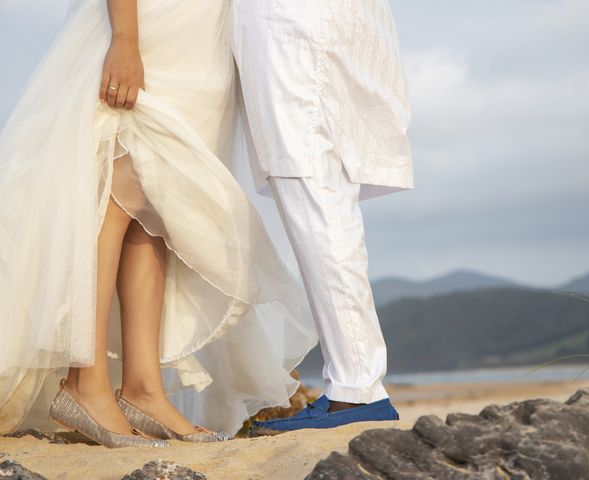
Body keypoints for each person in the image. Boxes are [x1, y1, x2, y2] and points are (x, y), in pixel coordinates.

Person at [0, 0, 317, 448]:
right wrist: (126, 38)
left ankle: (143, 388)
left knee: (160, 207)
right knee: (117, 180)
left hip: (205, 37)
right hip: (154, 25)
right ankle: (84, 382)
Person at [231, 0, 414, 434]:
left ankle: (357, 388)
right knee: (314, 188)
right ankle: (353, 382)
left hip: (293, 26)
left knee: (312, 186)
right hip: (298, 26)